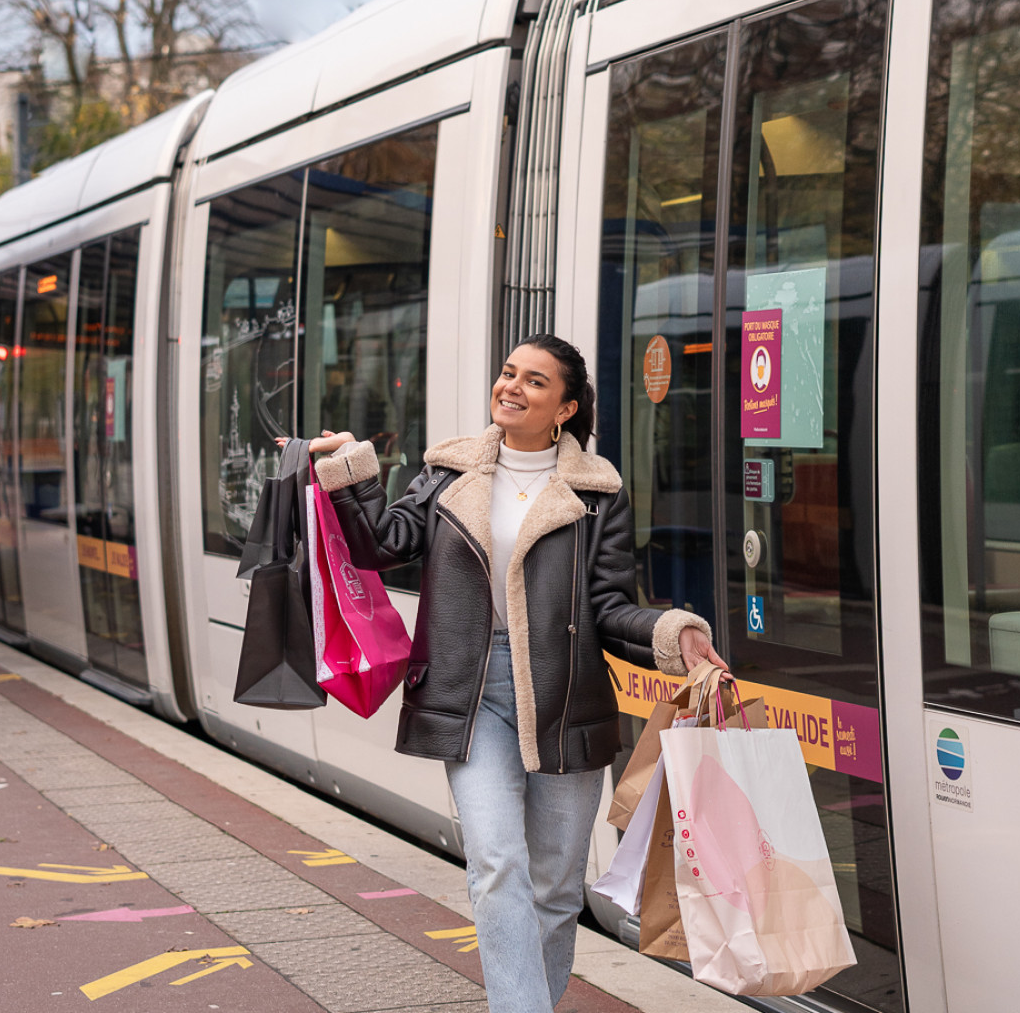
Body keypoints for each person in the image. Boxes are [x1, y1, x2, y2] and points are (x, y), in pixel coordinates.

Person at [303, 334, 727, 1013]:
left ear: (564, 408)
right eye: (508, 373)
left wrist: (677, 634)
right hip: (471, 693)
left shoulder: (596, 492)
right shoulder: (448, 472)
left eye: (534, 382)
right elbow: (382, 545)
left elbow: (609, 607)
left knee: (558, 887)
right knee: (498, 865)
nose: (512, 387)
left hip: (565, 697)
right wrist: (355, 472)